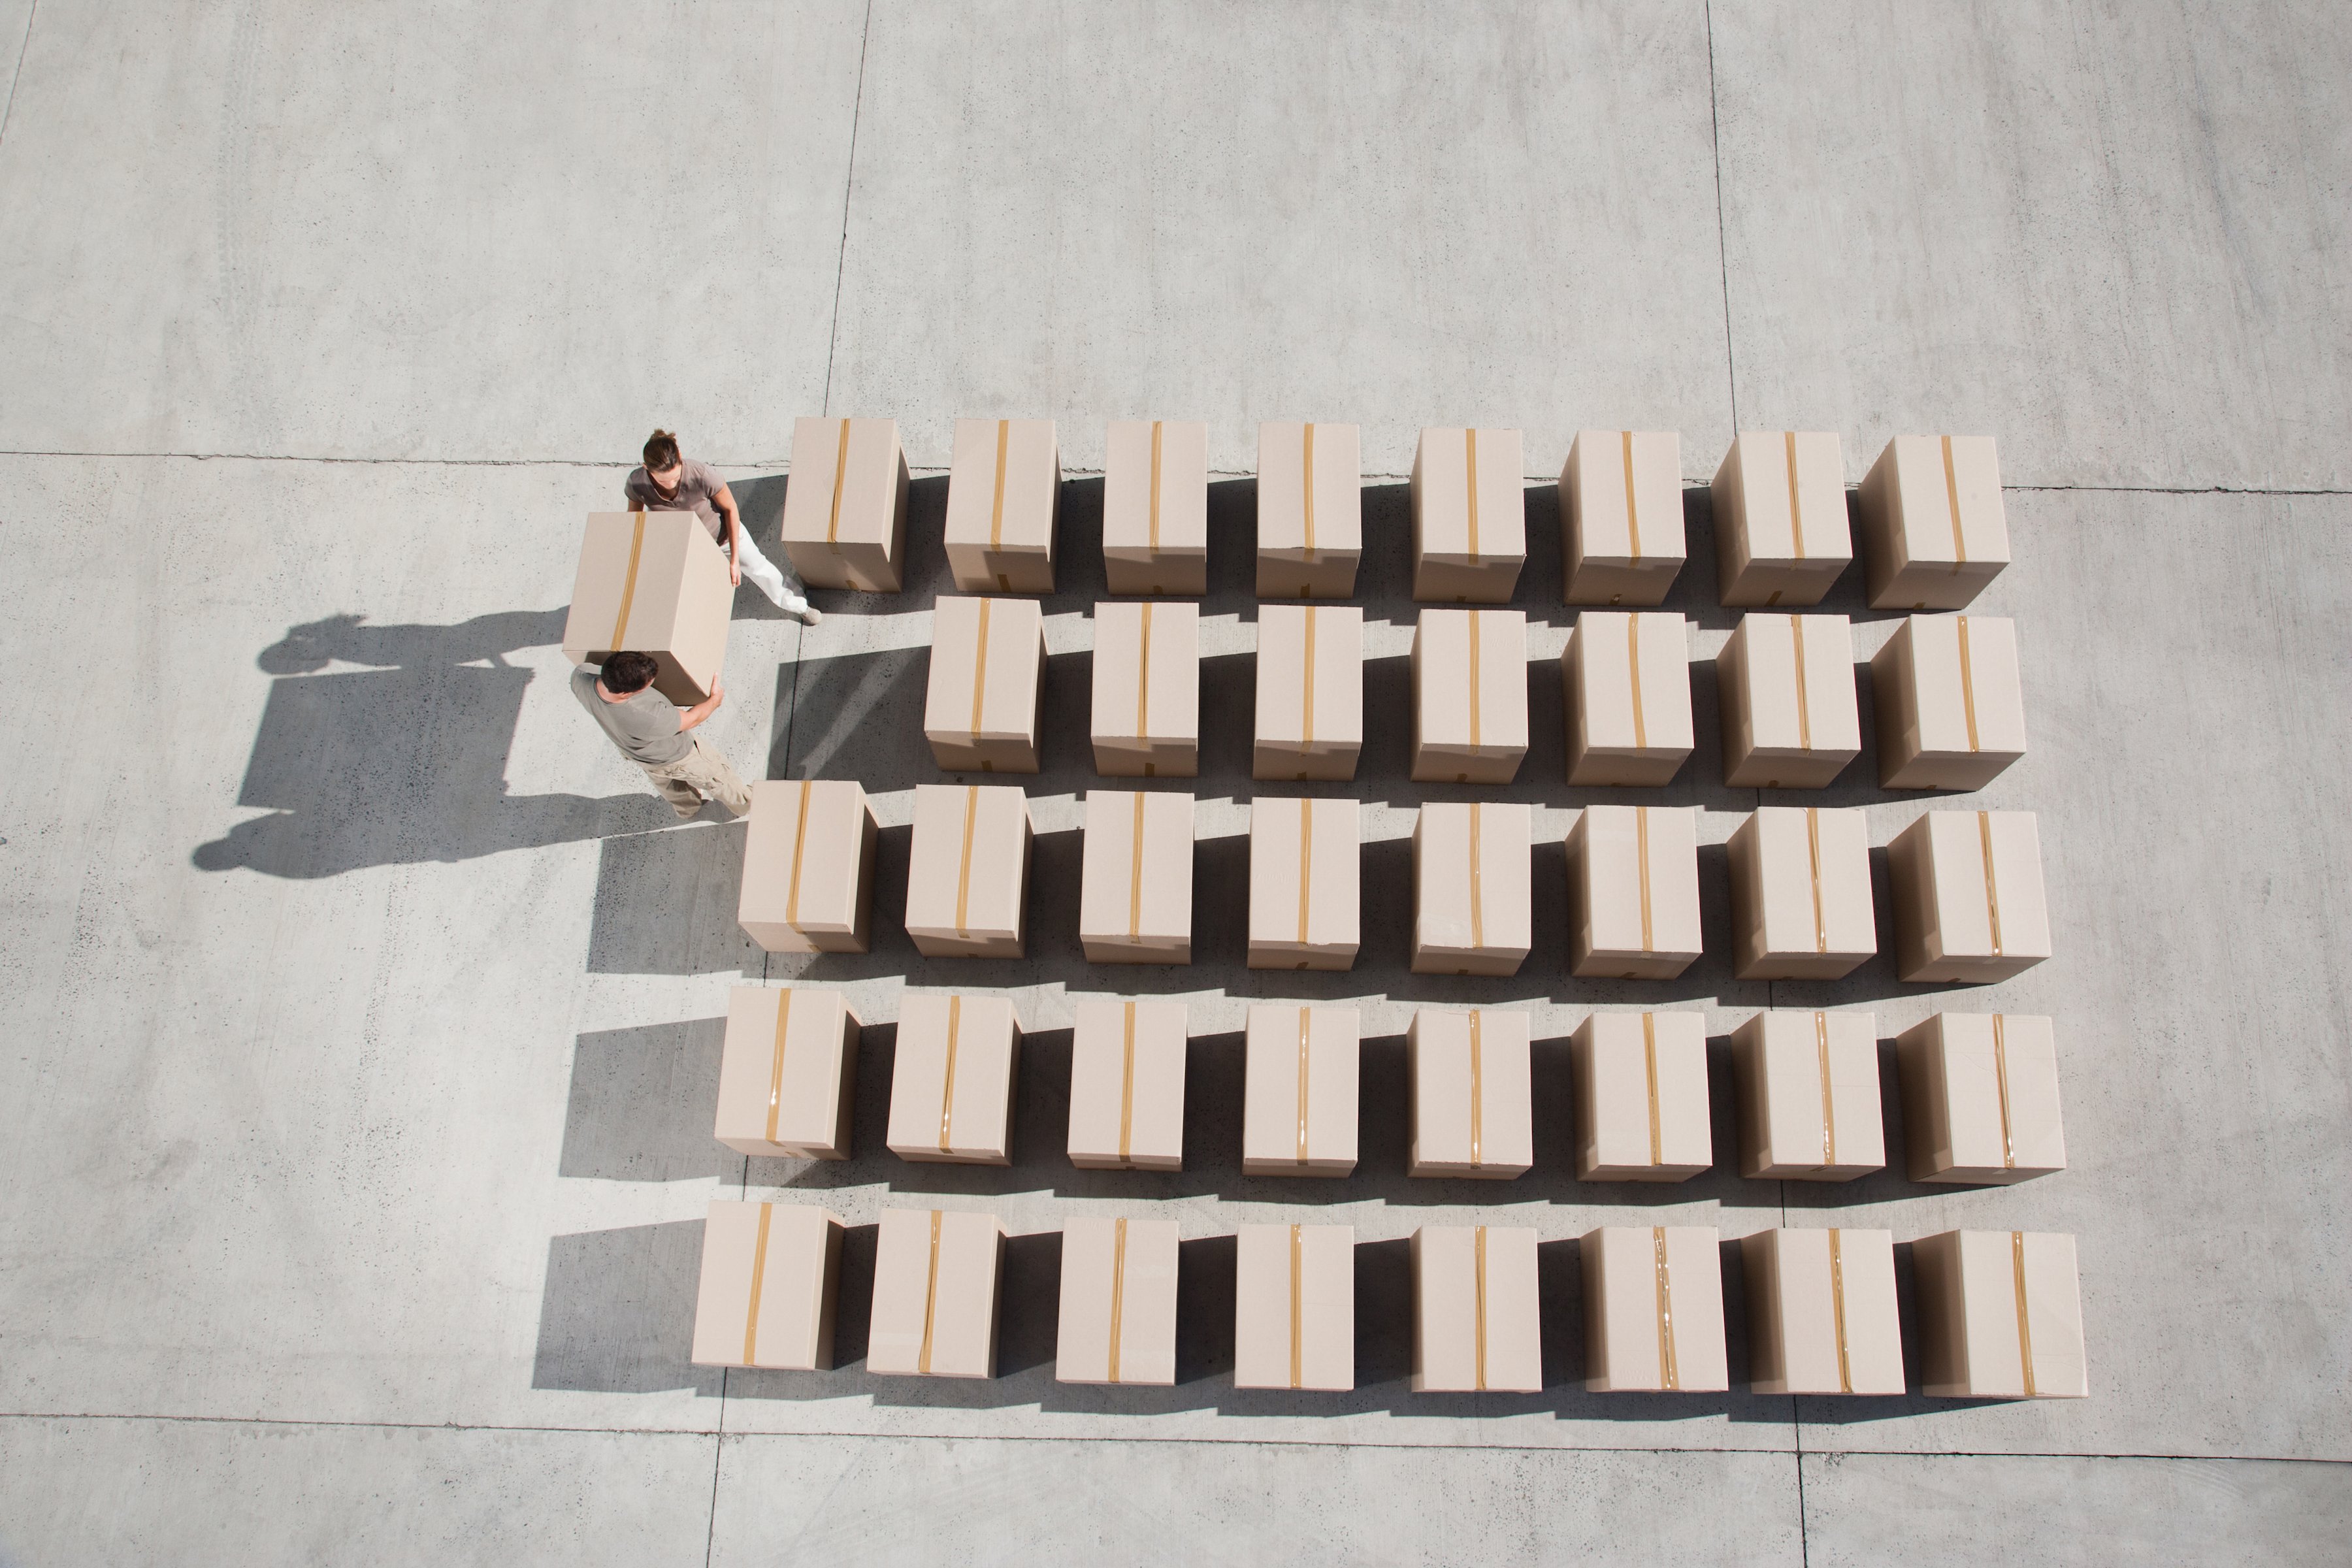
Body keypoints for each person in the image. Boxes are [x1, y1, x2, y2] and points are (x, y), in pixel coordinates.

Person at [627, 429, 822, 625]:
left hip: (725, 537)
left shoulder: (702, 474)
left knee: (758, 568)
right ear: (646, 468)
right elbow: (635, 523)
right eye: (662, 481)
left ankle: (800, 606)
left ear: (680, 457)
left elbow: (731, 509)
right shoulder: (637, 484)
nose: (670, 485)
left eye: (676, 478)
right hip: (686, 545)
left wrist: (735, 560)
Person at [572, 649, 754, 821]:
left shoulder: (581, 675)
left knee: (668, 785)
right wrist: (715, 700)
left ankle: (688, 809)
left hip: (638, 754)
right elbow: (692, 719)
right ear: (627, 693)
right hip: (676, 755)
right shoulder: (648, 716)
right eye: (648, 684)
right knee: (719, 778)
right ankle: (746, 805)